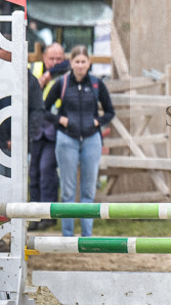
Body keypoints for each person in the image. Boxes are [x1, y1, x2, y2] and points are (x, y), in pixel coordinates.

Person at [43, 46, 114, 238]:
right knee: (68, 191)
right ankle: (67, 235)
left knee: (88, 190)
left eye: (84, 61)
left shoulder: (97, 84)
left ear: (89, 63)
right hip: (67, 140)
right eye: (77, 61)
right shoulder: (62, 83)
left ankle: (87, 235)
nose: (80, 65)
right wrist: (60, 120)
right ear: (71, 63)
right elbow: (44, 109)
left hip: (91, 139)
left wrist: (98, 121)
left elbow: (109, 112)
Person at [28, 43, 69, 231]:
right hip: (36, 128)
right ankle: (34, 214)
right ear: (43, 57)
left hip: (54, 129)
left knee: (47, 171)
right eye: (51, 58)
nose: (54, 62)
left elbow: (69, 64)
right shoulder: (33, 68)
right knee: (33, 173)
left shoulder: (65, 72)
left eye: (58, 58)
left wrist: (48, 75)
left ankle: (48, 214)